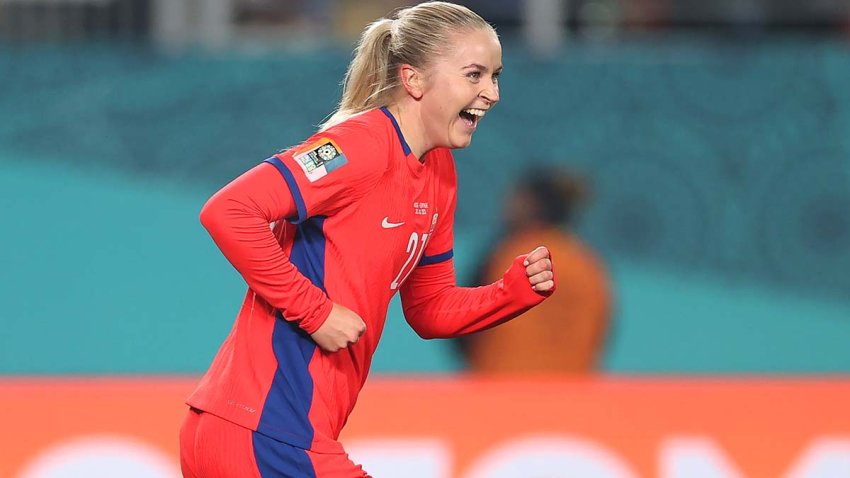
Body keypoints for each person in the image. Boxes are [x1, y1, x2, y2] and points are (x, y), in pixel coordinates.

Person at [179, 2, 556, 477]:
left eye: (496, 76)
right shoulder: (358, 146)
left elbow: (430, 309)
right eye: (475, 75)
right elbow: (229, 211)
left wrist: (511, 294)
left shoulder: (439, 173)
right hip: (266, 433)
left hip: (270, 433)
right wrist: (314, 312)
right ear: (414, 80)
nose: (492, 93)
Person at [459, 169, 611, 374]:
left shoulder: (507, 257)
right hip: (570, 395)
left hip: (500, 390)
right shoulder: (588, 266)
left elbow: (462, 323)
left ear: (530, 205)